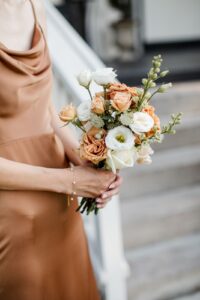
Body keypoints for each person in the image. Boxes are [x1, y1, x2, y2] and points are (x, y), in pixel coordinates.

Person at [0, 0, 123, 299]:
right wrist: (72, 181)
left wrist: (84, 157)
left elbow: (43, 108)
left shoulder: (35, 7)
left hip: (60, 204)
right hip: (11, 213)